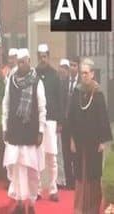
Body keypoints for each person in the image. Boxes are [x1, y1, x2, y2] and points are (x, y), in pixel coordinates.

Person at [2, 48, 46, 214]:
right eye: (19, 62)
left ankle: (32, 204)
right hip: (14, 131)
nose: (21, 65)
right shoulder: (11, 81)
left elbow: (42, 108)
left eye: (24, 61)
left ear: (29, 61)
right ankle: (20, 203)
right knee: (17, 168)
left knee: (32, 171)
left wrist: (41, 130)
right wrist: (4, 127)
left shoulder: (37, 82)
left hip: (31, 133)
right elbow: (6, 105)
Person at [69, 58, 112, 214]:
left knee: (93, 175)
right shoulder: (77, 91)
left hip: (94, 142)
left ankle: (93, 209)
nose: (84, 76)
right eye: (82, 73)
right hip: (79, 142)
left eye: (86, 73)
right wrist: (72, 139)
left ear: (92, 74)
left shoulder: (98, 93)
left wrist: (102, 141)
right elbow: (71, 116)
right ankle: (79, 208)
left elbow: (103, 118)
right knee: (80, 175)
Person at [36, 43, 61, 201]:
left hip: (51, 120)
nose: (43, 59)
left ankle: (53, 189)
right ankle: (37, 190)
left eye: (45, 56)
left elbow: (59, 99)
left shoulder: (54, 74)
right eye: (41, 56)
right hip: (38, 121)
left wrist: (59, 122)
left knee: (52, 157)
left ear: (48, 56)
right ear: (38, 57)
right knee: (38, 156)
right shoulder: (34, 73)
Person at [61, 56, 79, 190]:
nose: (72, 68)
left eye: (74, 65)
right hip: (65, 123)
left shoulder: (81, 84)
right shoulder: (64, 82)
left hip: (77, 124)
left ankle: (77, 179)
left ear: (78, 67)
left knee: (76, 153)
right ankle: (69, 181)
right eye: (71, 65)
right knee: (66, 152)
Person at [56, 58, 70, 188]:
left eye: (65, 68)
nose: (62, 70)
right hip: (60, 123)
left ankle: (66, 179)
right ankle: (60, 180)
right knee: (59, 152)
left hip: (68, 124)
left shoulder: (69, 84)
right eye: (61, 67)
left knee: (67, 152)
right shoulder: (57, 82)